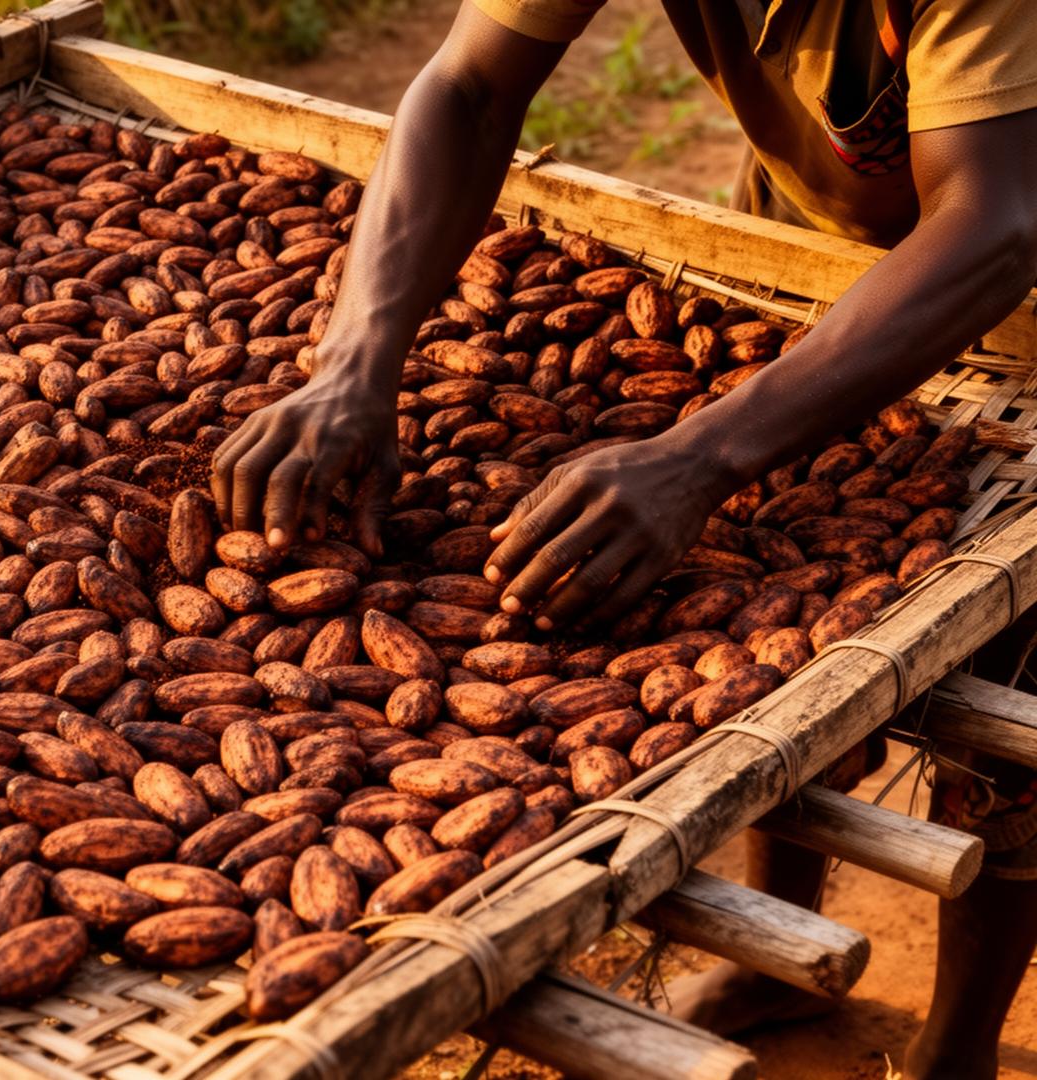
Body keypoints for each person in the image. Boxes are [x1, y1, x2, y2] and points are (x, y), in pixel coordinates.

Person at [208, 1, 1037, 1075]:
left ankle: (956, 1049)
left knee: (1018, 688)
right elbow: (466, 87)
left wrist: (697, 460)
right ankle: (774, 966)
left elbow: (997, 219)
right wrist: (353, 365)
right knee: (781, 651)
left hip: (1011, 247)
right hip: (828, 237)